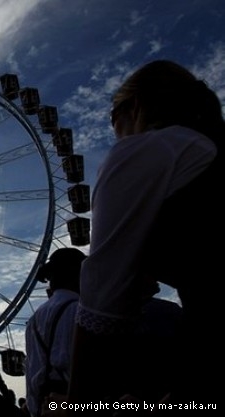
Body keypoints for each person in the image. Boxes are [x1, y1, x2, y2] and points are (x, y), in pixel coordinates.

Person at [65, 60, 223, 409]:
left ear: (133, 107)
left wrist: (74, 406)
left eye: (113, 120)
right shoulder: (203, 149)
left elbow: (102, 300)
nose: (115, 134)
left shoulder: (148, 150)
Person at [24, 248, 85, 416]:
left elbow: (32, 368)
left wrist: (35, 409)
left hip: (45, 405)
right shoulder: (79, 311)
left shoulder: (34, 320)